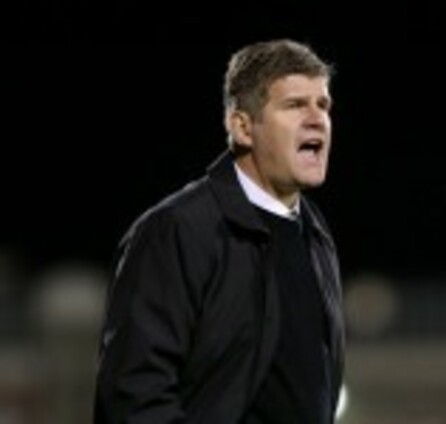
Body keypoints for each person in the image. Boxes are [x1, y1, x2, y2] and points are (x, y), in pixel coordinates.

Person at [93, 39, 345, 424]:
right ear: (242, 127)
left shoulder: (315, 233)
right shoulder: (176, 229)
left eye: (323, 104)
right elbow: (134, 394)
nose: (317, 118)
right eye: (295, 105)